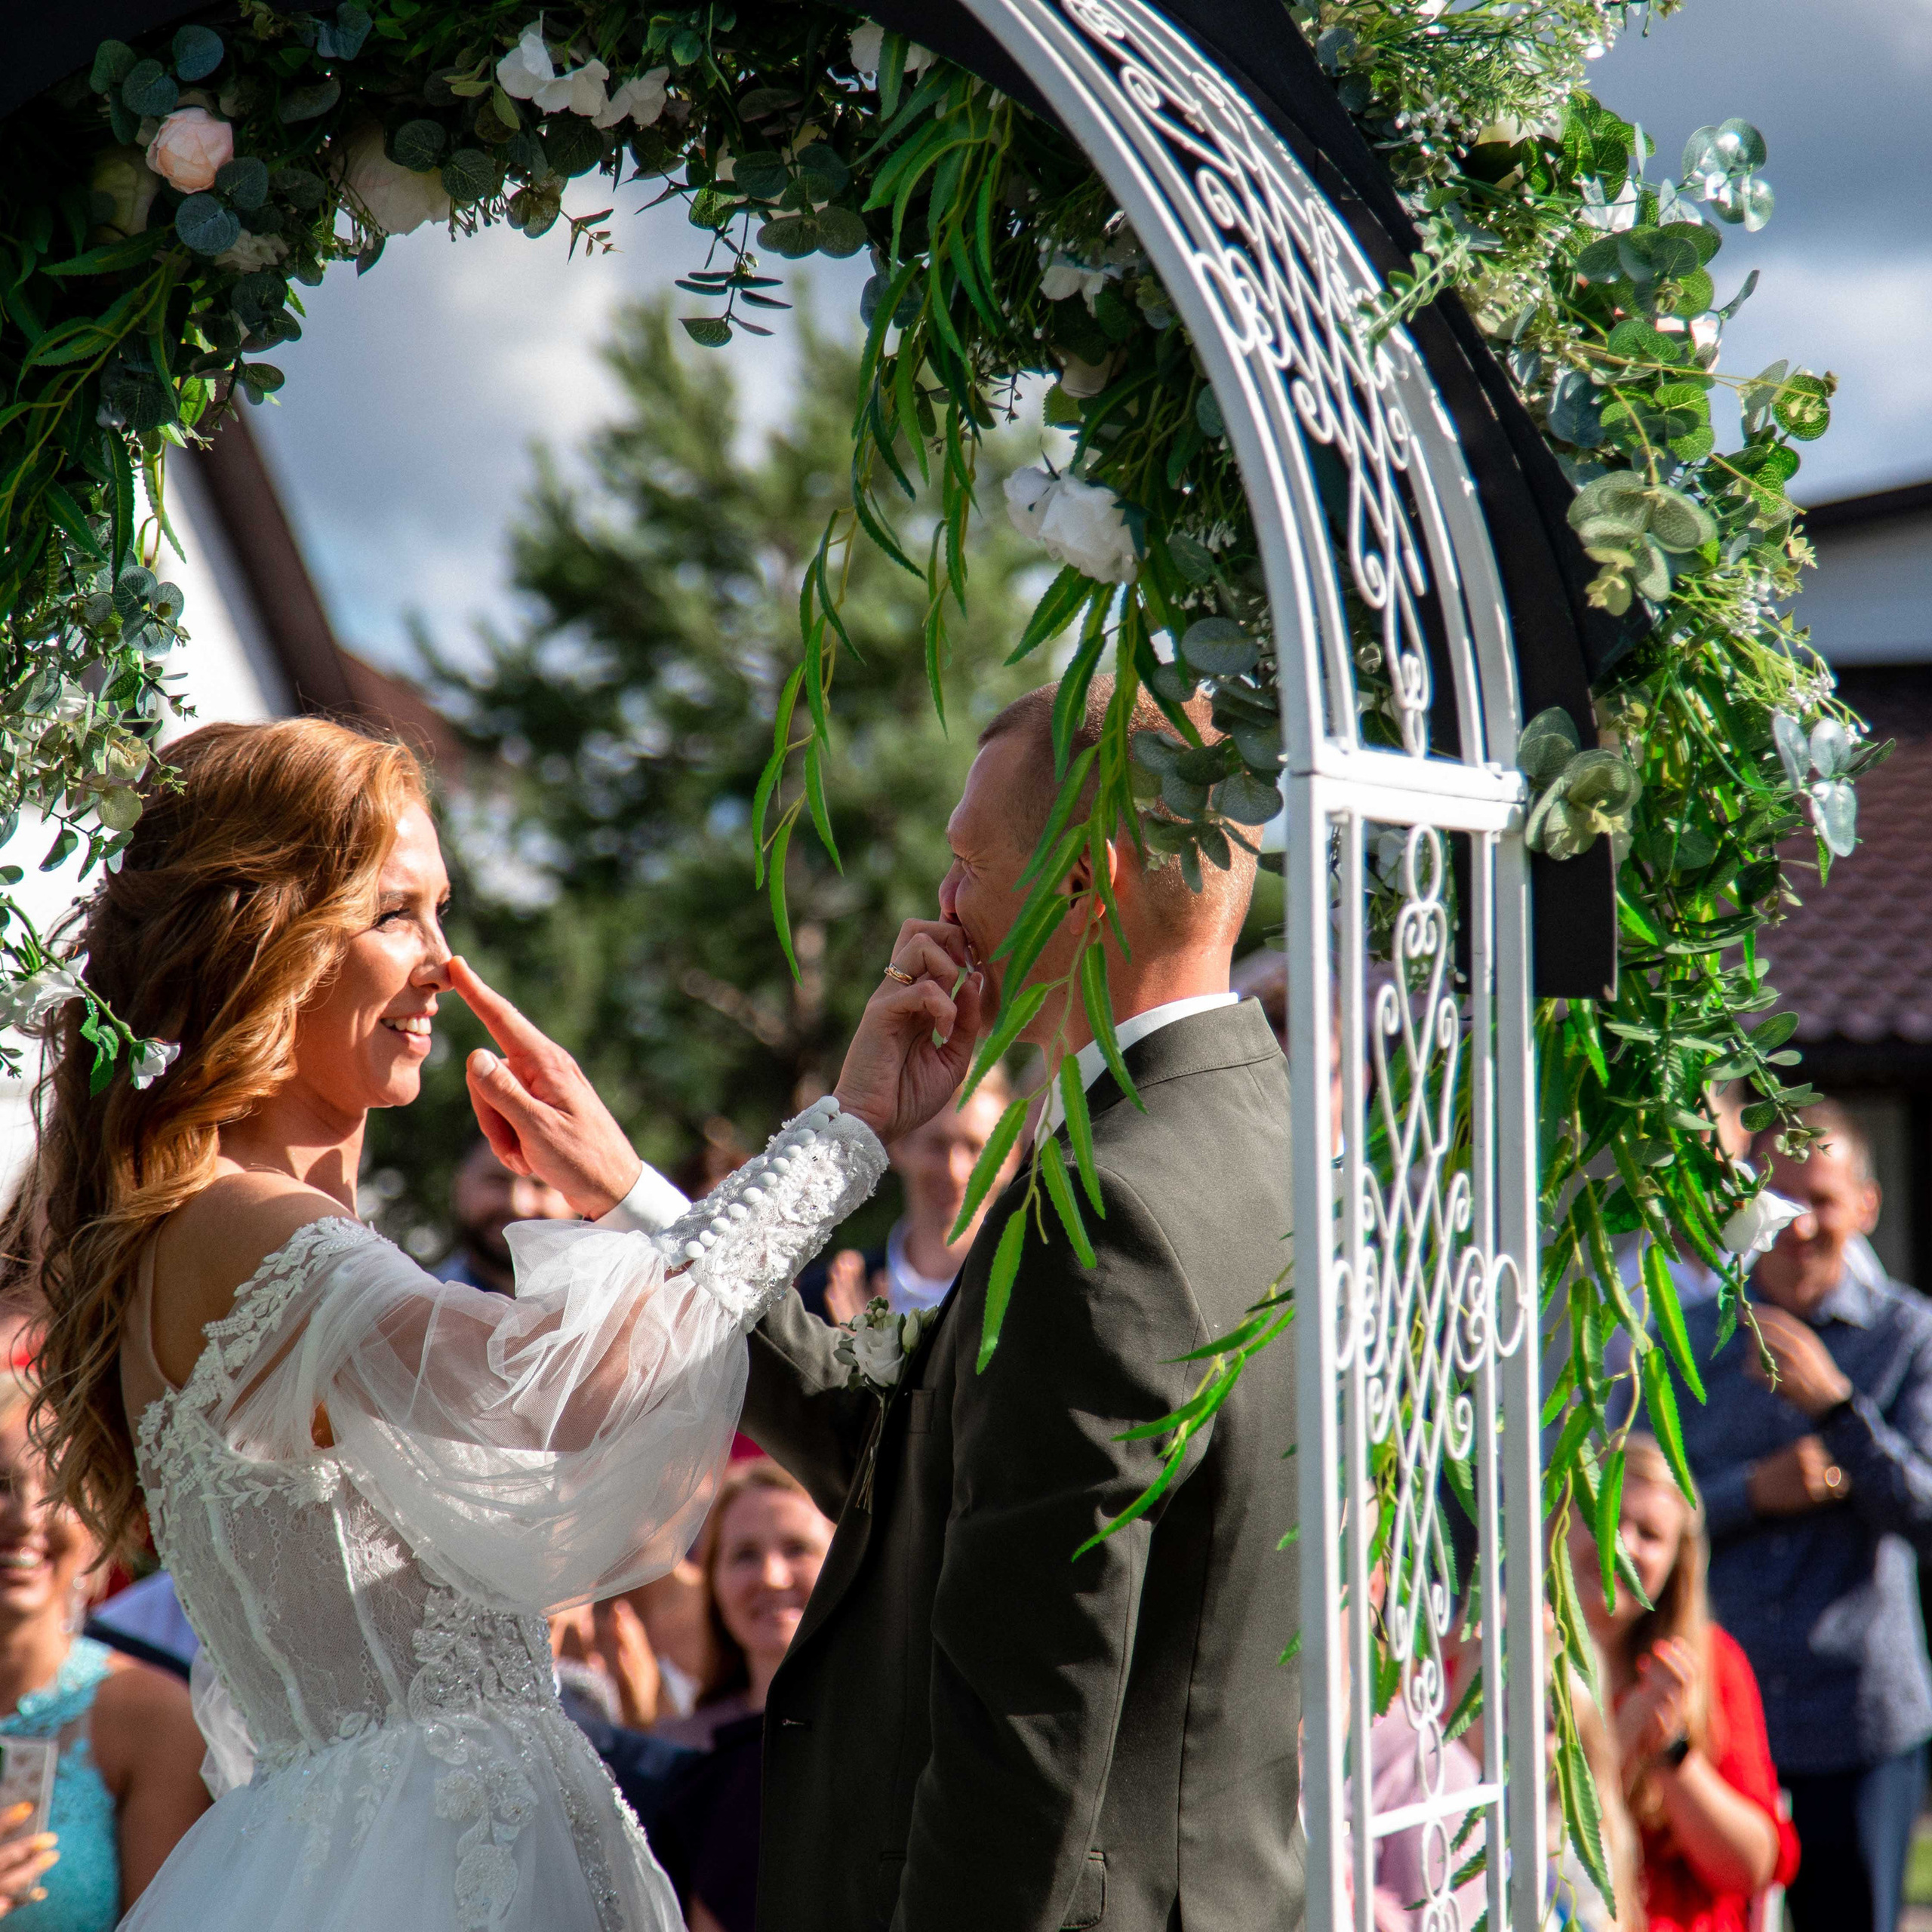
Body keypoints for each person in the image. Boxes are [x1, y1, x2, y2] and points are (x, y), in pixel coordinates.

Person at [0, 717, 982, 1932]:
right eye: (397, 913)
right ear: (271, 942)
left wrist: (621, 1187)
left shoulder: (209, 1227)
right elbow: (556, 1396)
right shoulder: (248, 1228)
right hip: (426, 1869)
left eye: (445, 911)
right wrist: (848, 1132)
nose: (443, 968)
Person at [739, 677, 1300, 1931]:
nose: (939, 907)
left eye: (963, 864)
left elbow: (1025, 1745)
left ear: (1085, 883)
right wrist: (662, 1196)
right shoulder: (1259, 1138)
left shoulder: (1113, 1210)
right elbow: (909, 1413)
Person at [1675, 1100, 1932, 1932]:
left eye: (1818, 1198)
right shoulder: (1688, 1337)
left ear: (1865, 1204)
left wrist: (1837, 1409)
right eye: (1775, 1197)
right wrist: (1753, 1490)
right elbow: (1642, 1521)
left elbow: (1925, 1514)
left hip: (1855, 1718)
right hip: (1720, 1720)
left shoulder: (1908, 1336)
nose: (1795, 1225)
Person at [0, 1374, 208, 1928]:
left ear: (99, 1524)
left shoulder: (155, 1720)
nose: (25, 1517)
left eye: (60, 1490)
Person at [1571, 1435, 1797, 1932]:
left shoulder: (1712, 1662)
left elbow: (1752, 1867)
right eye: (1602, 1516)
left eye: (1649, 1534)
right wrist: (1624, 1738)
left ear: (1678, 1560)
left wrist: (1671, 1751)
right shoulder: (1510, 1655)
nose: (1620, 1545)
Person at [648, 1460, 834, 1932]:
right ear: (713, 1584)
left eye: (798, 1549)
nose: (772, 1576)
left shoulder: (899, 1734)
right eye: (745, 1555)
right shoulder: (679, 1754)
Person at [809, 1066, 1018, 1325]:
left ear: (1013, 1156)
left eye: (976, 1147)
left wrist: (869, 1359)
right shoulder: (823, 1299)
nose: (955, 1170)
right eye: (937, 1145)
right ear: (899, 1146)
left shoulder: (1029, 1295)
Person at [432, 1137, 580, 1296]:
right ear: (459, 1186)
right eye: (498, 1181)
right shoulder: (412, 1314)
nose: (519, 1206)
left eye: (541, 1184)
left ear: (580, 1200)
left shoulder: (604, 1312)